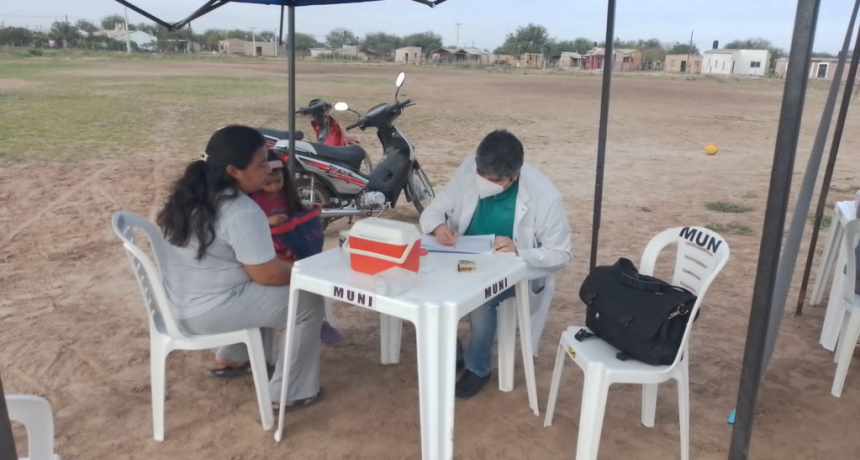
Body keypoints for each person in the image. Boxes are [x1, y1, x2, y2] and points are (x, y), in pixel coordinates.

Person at [157, 125, 325, 412]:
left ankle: (236, 355)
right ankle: (291, 391)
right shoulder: (242, 210)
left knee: (259, 286)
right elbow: (267, 274)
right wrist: (303, 271)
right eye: (260, 165)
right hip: (205, 311)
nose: (267, 171)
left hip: (177, 302)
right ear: (234, 170)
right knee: (306, 301)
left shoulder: (194, 194)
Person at [419, 129, 572, 399]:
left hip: (512, 270)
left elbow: (561, 254)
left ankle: (478, 368)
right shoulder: (470, 168)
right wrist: (438, 226)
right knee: (429, 280)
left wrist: (520, 252)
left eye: (492, 180)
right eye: (480, 174)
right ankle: (453, 353)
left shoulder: (545, 196)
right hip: (464, 257)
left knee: (480, 300)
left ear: (514, 176)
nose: (482, 182)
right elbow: (434, 209)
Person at [248, 151, 342, 346]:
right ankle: (302, 321)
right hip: (268, 254)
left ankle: (318, 321)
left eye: (278, 181)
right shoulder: (253, 199)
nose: (273, 187)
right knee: (293, 282)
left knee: (310, 276)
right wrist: (268, 221)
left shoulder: (286, 195)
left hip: (292, 248)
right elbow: (248, 223)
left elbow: (295, 212)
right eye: (268, 183)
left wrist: (307, 211)